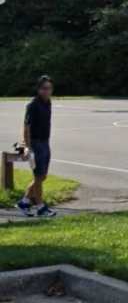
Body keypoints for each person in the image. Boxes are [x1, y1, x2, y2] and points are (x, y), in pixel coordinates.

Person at [15, 76, 56, 217]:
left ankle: (24, 201)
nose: (47, 91)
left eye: (49, 88)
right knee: (38, 176)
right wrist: (27, 146)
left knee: (42, 176)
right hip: (35, 143)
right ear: (39, 89)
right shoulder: (33, 104)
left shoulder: (48, 103)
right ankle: (40, 207)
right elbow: (26, 126)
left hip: (45, 142)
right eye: (44, 88)